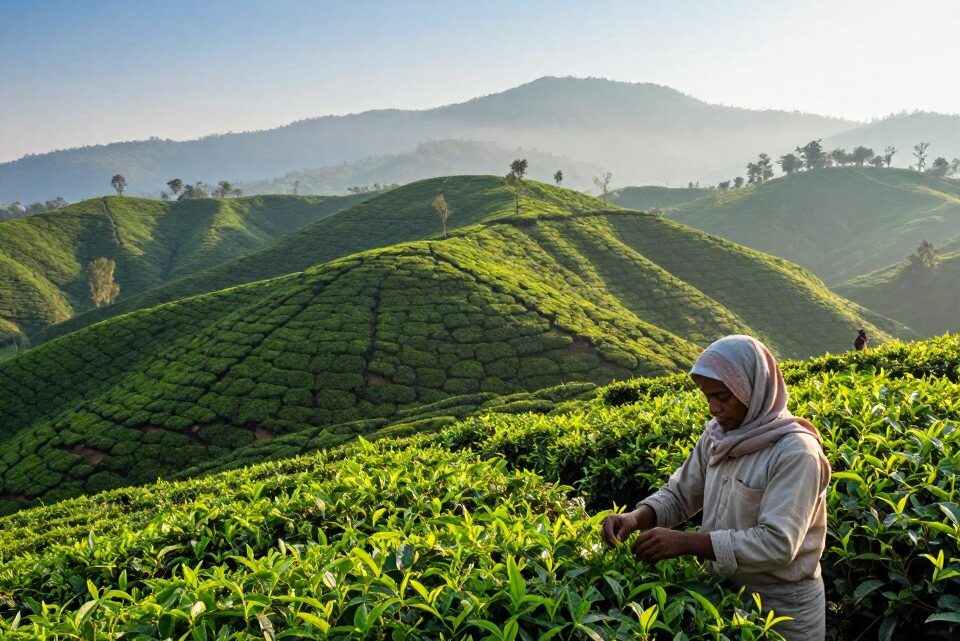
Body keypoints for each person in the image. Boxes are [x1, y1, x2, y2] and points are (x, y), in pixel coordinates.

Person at [600, 335, 831, 641]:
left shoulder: (795, 452)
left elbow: (778, 544)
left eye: (723, 396)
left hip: (783, 613)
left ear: (753, 389)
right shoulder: (718, 438)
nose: (713, 408)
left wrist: (686, 543)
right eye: (707, 396)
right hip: (723, 601)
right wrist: (636, 517)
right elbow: (681, 493)